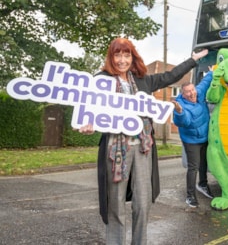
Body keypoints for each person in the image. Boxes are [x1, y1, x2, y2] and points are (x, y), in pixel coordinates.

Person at [79, 37, 208, 244]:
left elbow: (170, 76)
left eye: (126, 54)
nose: (122, 60)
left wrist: (192, 60)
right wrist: (87, 122)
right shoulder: (100, 80)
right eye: (117, 55)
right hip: (115, 149)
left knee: (142, 201)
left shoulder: (143, 80)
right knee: (115, 203)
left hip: (142, 148)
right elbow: (88, 107)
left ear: (132, 56)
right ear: (111, 57)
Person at [172, 70, 214, 208]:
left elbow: (205, 83)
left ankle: (203, 185)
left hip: (204, 136)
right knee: (193, 167)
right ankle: (190, 196)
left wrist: (211, 73)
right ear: (183, 94)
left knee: (204, 163)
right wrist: (179, 112)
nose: (192, 93)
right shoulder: (180, 105)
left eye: (192, 90)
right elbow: (185, 122)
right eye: (188, 92)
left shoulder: (199, 93)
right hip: (191, 140)